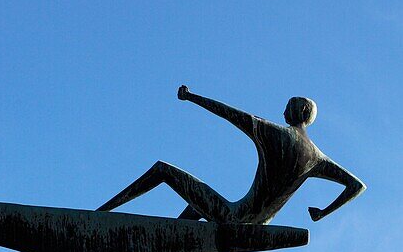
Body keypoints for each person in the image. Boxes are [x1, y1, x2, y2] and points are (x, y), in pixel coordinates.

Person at [97, 86, 366, 224]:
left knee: (162, 170)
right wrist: (322, 213)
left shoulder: (277, 135)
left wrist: (192, 97)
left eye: (286, 107)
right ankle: (176, 233)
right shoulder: (317, 158)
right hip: (259, 223)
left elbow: (230, 113)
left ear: (296, 112)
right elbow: (357, 185)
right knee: (197, 203)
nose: (283, 112)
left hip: (236, 217)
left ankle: (102, 212)